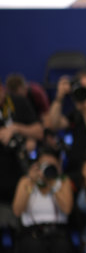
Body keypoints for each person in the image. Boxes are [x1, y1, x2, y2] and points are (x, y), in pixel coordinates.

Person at [0, 78, 43, 230]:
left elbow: (39, 131)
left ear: (2, 89)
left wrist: (16, 128)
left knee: (20, 225)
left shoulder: (18, 102)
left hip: (18, 171)